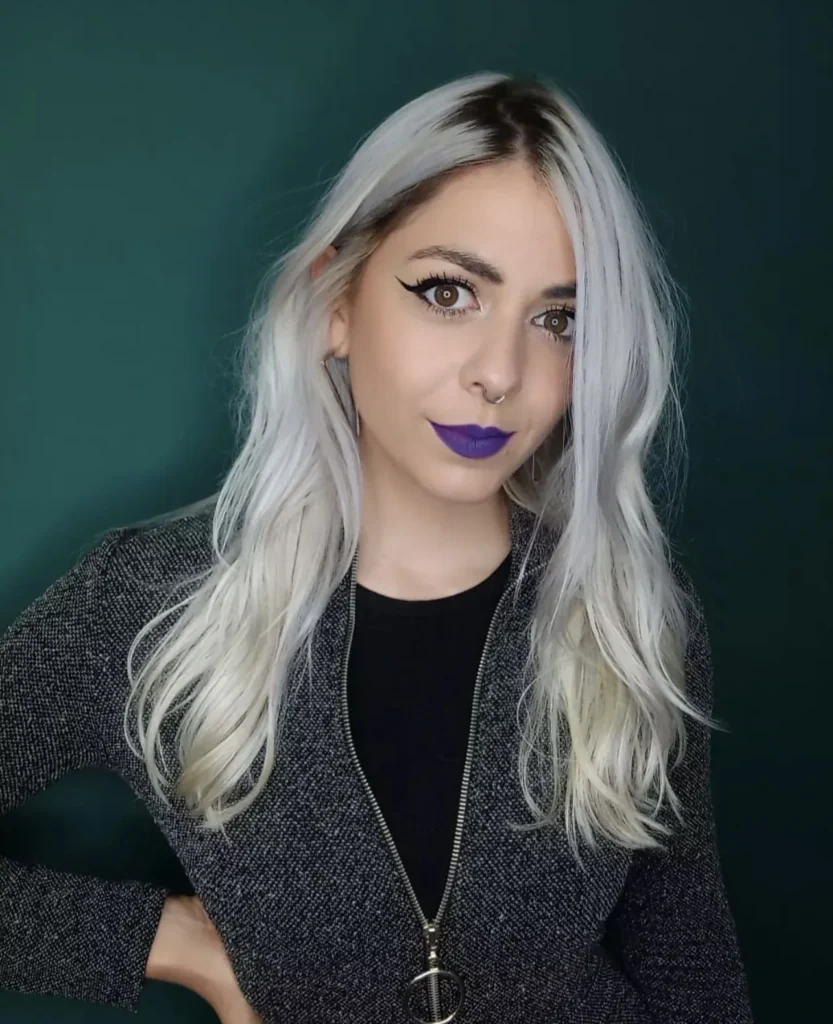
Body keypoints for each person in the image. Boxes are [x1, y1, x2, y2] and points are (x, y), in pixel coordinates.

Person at [0, 71, 754, 1024]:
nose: (499, 373)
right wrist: (173, 944)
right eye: (448, 292)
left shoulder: (628, 608)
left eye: (557, 320)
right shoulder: (147, 605)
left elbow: (687, 962)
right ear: (337, 303)